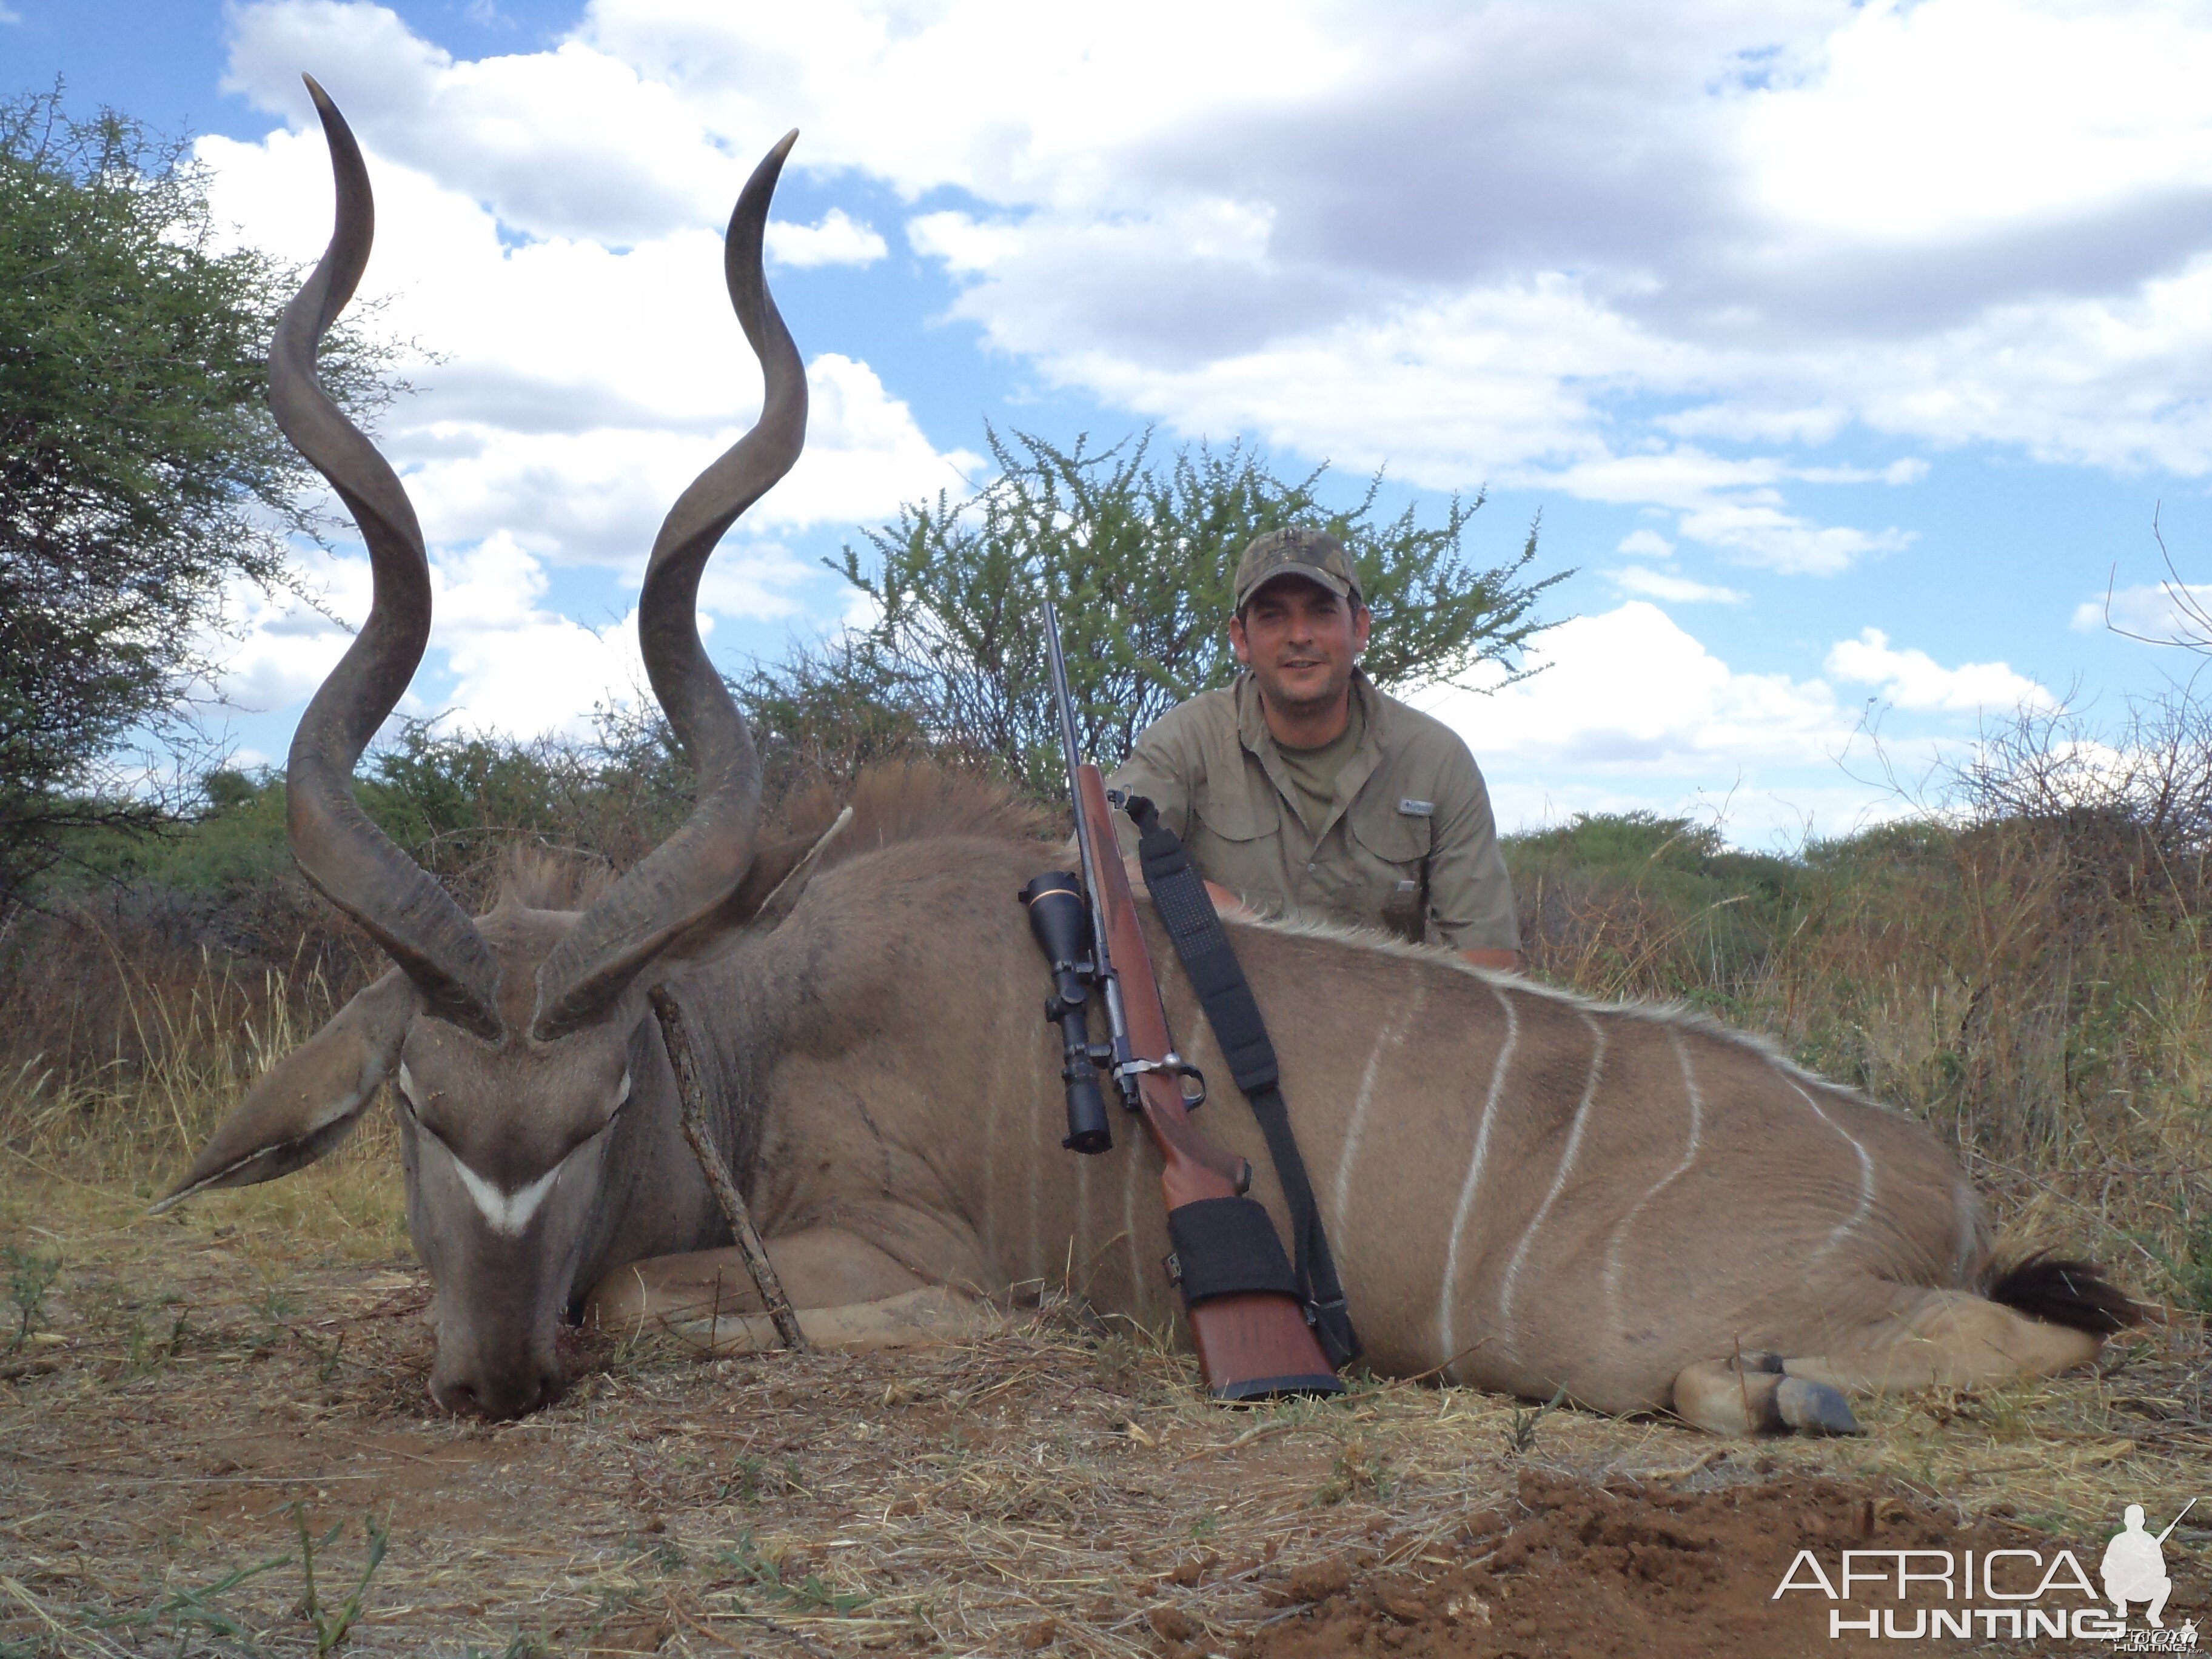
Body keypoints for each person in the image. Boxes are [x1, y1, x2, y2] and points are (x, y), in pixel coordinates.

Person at [1108, 526, 1520, 972]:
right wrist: (1208, 906)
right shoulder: (1184, 739)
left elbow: (1490, 961)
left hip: (1382, 1024)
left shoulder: (1436, 758)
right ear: (1241, 639)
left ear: (1359, 627)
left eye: (1322, 613)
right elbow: (1094, 865)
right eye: (1272, 616)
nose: (1300, 635)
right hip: (1225, 1017)